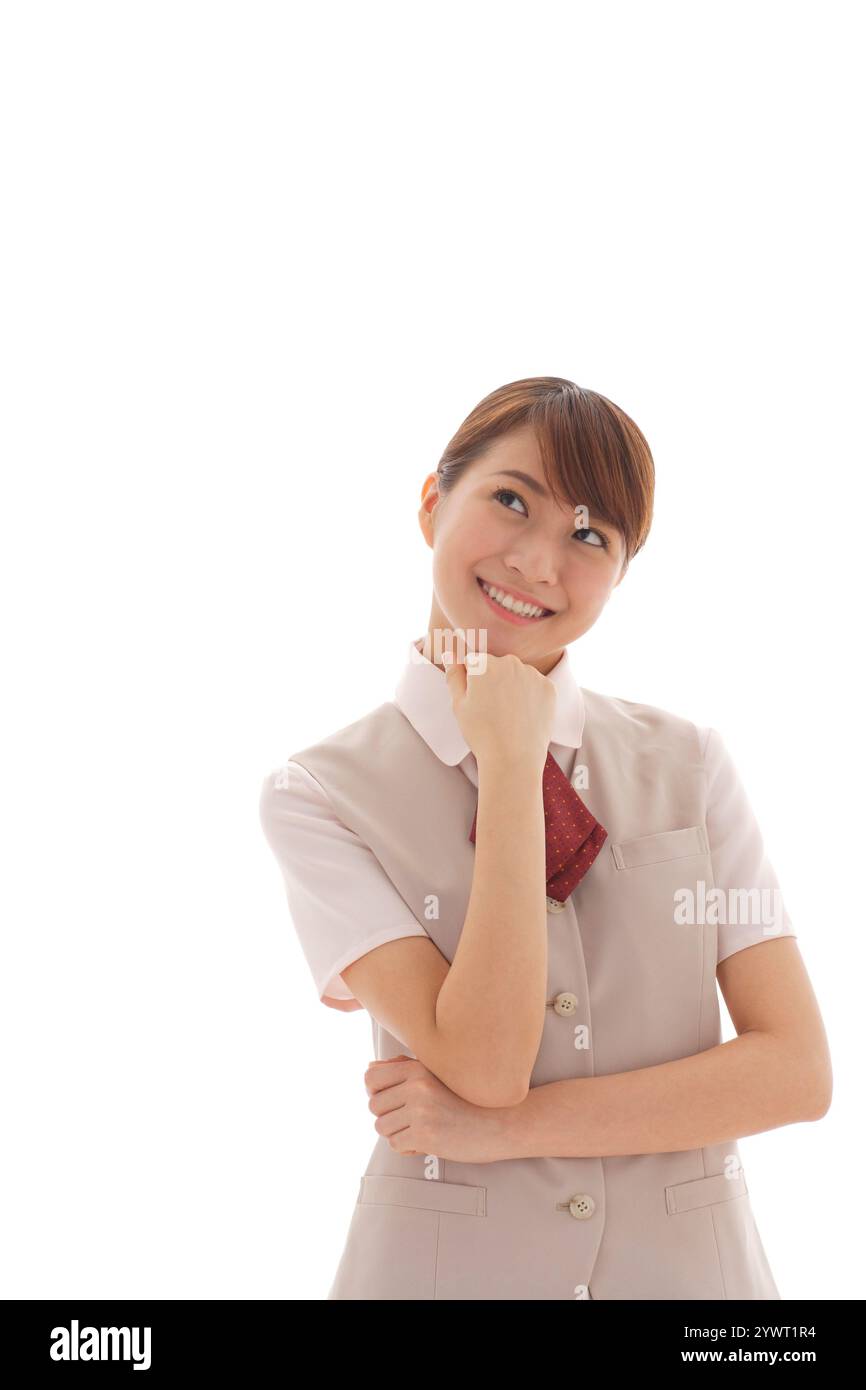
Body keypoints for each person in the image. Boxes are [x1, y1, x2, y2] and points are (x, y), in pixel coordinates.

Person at [259, 376, 832, 1300]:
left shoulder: (692, 764)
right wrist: (516, 761)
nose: (536, 560)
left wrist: (509, 1131)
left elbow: (797, 1073)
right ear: (432, 502)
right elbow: (483, 1062)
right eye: (510, 499)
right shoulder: (319, 795)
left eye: (589, 535)